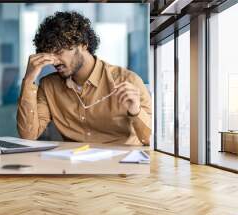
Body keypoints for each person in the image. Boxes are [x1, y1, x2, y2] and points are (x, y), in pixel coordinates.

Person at [17, 11, 152, 146]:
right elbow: (29, 135)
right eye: (49, 55)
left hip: (122, 163)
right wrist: (29, 79)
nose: (54, 61)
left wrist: (136, 111)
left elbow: (150, 140)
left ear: (83, 44)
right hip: (73, 163)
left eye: (59, 52)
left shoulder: (128, 81)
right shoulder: (49, 85)